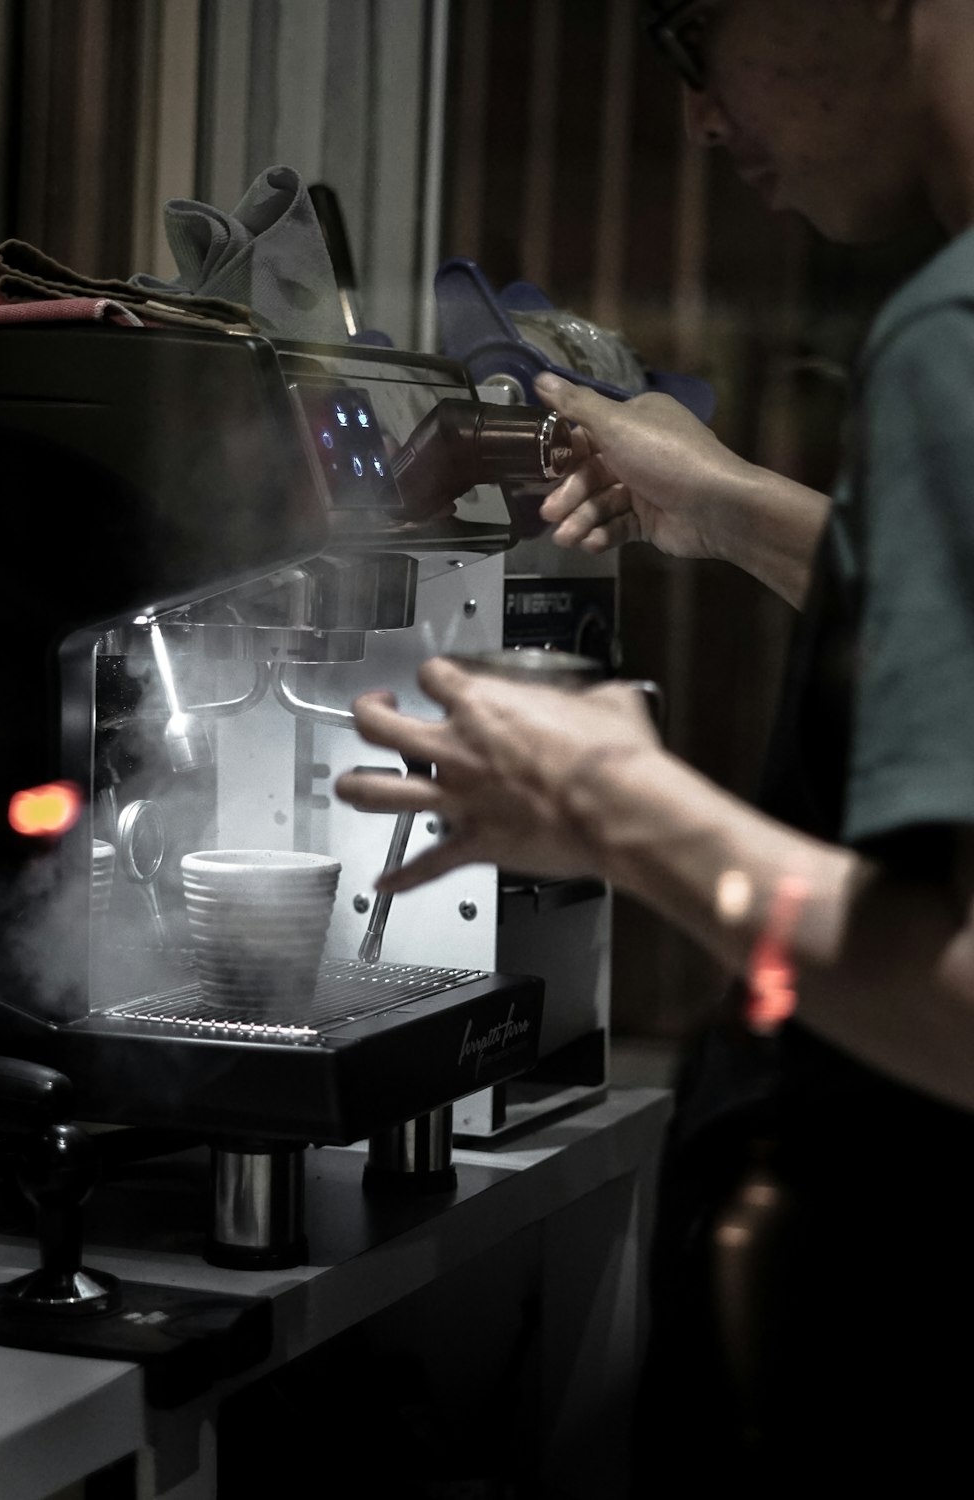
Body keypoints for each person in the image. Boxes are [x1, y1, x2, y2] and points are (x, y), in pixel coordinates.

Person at [337, 1, 974, 1488]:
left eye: (697, 37)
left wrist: (626, 812)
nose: (697, 116)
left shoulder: (946, 339)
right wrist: (728, 503)